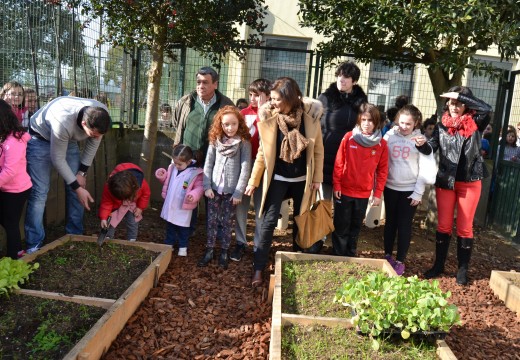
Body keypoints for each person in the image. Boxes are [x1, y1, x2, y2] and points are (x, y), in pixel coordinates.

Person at [245, 77, 324, 286]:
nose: (273, 103)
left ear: (290, 98)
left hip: (302, 179)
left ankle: (296, 261)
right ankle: (258, 268)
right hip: (277, 178)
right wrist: (253, 181)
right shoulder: (270, 118)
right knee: (268, 222)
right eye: (271, 99)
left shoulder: (310, 118)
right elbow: (263, 152)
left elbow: (317, 151)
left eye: (277, 99)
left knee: (300, 220)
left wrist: (317, 178)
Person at [414, 86, 492, 285]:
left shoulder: (476, 122)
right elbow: (432, 146)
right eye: (451, 102)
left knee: (465, 228)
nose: (454, 107)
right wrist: (422, 144)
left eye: (459, 103)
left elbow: (486, 109)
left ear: (466, 104)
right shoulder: (441, 126)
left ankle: (462, 270)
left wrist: (460, 95)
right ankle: (438, 265)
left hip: (469, 181)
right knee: (444, 226)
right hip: (446, 181)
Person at [24, 96, 111, 254]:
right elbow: (57, 159)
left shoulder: (100, 115)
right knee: (40, 193)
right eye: (93, 134)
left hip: (68, 139)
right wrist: (77, 187)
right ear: (84, 124)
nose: (97, 138)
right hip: (40, 138)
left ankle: (74, 234)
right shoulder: (63, 121)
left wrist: (81, 174)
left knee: (77, 187)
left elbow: (92, 147)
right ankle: (34, 245)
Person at [383, 105, 436, 275]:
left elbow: (426, 167)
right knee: (389, 223)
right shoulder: (390, 135)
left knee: (404, 225)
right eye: (401, 123)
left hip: (409, 191)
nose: (404, 127)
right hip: (390, 187)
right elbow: (381, 157)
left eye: (408, 124)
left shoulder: (420, 140)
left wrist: (418, 192)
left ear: (416, 123)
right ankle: (387, 256)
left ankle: (400, 261)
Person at [332, 103, 388, 257]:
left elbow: (382, 171)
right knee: (341, 226)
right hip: (344, 190)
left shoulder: (382, 144)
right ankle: (337, 256)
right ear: (358, 120)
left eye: (370, 120)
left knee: (355, 227)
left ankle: (350, 255)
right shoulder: (349, 137)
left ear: (376, 122)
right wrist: (337, 184)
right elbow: (339, 162)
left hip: (363, 194)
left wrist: (377, 194)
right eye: (363, 119)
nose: (366, 123)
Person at [199, 106, 251, 270]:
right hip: (214, 190)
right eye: (226, 124)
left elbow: (245, 169)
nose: (230, 128)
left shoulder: (243, 143)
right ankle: (209, 250)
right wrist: (206, 186)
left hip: (231, 193)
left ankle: (224, 251)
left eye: (233, 124)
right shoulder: (215, 140)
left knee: (227, 223)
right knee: (212, 221)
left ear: (239, 123)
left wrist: (238, 192)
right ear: (220, 124)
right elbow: (208, 164)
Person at [230, 78, 271, 262]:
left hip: (264, 166)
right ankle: (240, 242)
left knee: (261, 206)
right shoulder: (243, 114)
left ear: (268, 96)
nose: (253, 99)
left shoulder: (272, 114)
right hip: (245, 163)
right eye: (251, 95)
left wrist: (264, 111)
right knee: (241, 204)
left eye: (257, 95)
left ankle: (258, 245)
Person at [318, 61, 367, 203]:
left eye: (346, 77)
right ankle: (321, 225)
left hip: (349, 156)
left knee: (343, 202)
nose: (341, 79)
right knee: (323, 201)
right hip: (326, 155)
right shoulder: (325, 98)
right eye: (339, 75)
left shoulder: (361, 102)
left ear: (354, 81)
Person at [172, 66, 234, 157]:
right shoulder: (185, 102)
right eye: (198, 82)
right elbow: (176, 123)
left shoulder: (226, 105)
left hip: (214, 160)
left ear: (215, 84)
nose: (201, 86)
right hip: (186, 161)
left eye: (205, 82)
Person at [155, 145, 204, 256]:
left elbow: (199, 187)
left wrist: (193, 195)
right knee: (170, 226)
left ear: (189, 161)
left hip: (184, 205)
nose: (176, 166)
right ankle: (169, 245)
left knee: (183, 228)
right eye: (175, 162)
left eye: (179, 164)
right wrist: (162, 176)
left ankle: (183, 247)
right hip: (171, 203)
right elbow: (167, 182)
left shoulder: (195, 173)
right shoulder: (172, 168)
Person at [0, 99, 32, 259]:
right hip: (5, 187)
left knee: (10, 222)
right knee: (6, 220)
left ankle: (16, 255)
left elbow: (10, 171)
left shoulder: (13, 142)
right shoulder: (4, 138)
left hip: (16, 190)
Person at [98, 163, 151, 241]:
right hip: (116, 205)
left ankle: (132, 240)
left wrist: (140, 207)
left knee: (132, 222)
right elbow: (106, 203)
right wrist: (103, 218)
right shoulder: (109, 187)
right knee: (110, 222)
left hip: (132, 204)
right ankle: (108, 238)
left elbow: (145, 195)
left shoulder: (140, 184)